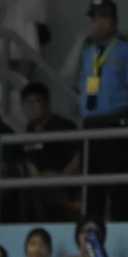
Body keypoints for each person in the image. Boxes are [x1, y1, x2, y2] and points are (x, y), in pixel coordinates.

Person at [73, 0, 128, 224]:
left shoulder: (126, 51)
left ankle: (124, 225)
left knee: (119, 184)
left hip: (115, 120)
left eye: (103, 18)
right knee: (93, 183)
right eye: (95, 19)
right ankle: (92, 229)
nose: (98, 24)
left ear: (114, 20)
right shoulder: (88, 51)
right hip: (91, 123)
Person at [16, 82, 79, 223]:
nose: (31, 107)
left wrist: (60, 178)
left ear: (47, 104)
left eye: (36, 102)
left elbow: (78, 156)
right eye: (27, 103)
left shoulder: (63, 126)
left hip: (62, 187)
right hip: (36, 188)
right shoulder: (27, 132)